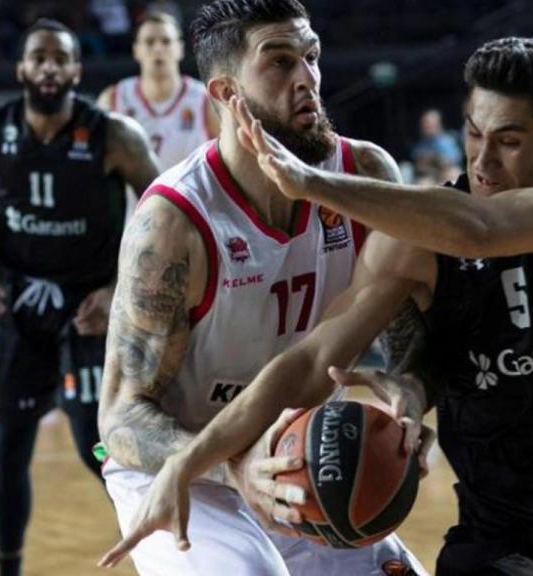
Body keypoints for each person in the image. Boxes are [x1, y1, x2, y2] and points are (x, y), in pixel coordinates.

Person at [103, 36, 533, 575]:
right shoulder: (416, 239)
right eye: (473, 134)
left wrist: (313, 182)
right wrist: (188, 464)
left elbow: (481, 229)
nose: (482, 161)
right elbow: (309, 359)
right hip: (508, 533)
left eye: (508, 141)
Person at [94, 1, 423, 574]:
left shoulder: (365, 176)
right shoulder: (174, 223)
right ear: (226, 94)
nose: (308, 80)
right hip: (187, 467)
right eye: (279, 63)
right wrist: (231, 468)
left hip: (299, 448)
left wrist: (410, 396)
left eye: (312, 56)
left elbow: (406, 332)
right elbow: (121, 416)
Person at [0, 19, 159, 576]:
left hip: (89, 314)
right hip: (22, 311)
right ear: (22, 69)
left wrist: (119, 289)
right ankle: (8, 567)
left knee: (102, 454)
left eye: (60, 58)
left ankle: (165, 557)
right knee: (11, 448)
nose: (48, 67)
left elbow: (167, 212)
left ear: (76, 69)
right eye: (38, 57)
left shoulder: (113, 135)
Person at [98, 11, 218, 170]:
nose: (158, 49)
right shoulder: (113, 98)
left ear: (180, 49)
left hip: (188, 195)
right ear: (136, 50)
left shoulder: (205, 99)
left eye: (166, 41)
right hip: (134, 195)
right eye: (149, 42)